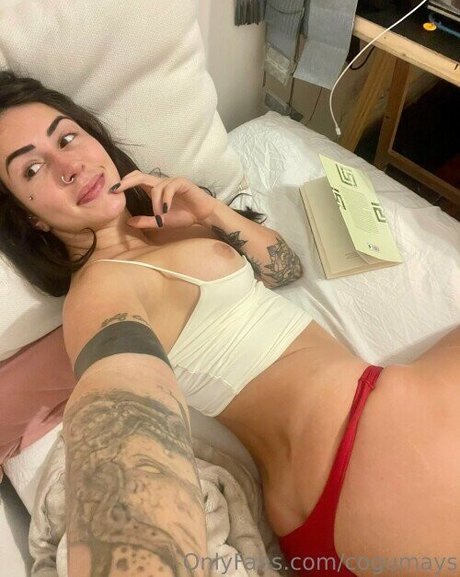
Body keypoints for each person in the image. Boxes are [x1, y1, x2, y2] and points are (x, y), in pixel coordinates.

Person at [0, 70, 459, 577]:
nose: (68, 166)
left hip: (330, 498)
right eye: (32, 169)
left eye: (67, 138)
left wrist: (213, 211)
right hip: (365, 446)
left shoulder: (166, 224)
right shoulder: (99, 292)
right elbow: (120, 403)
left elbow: (285, 269)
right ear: (29, 217)